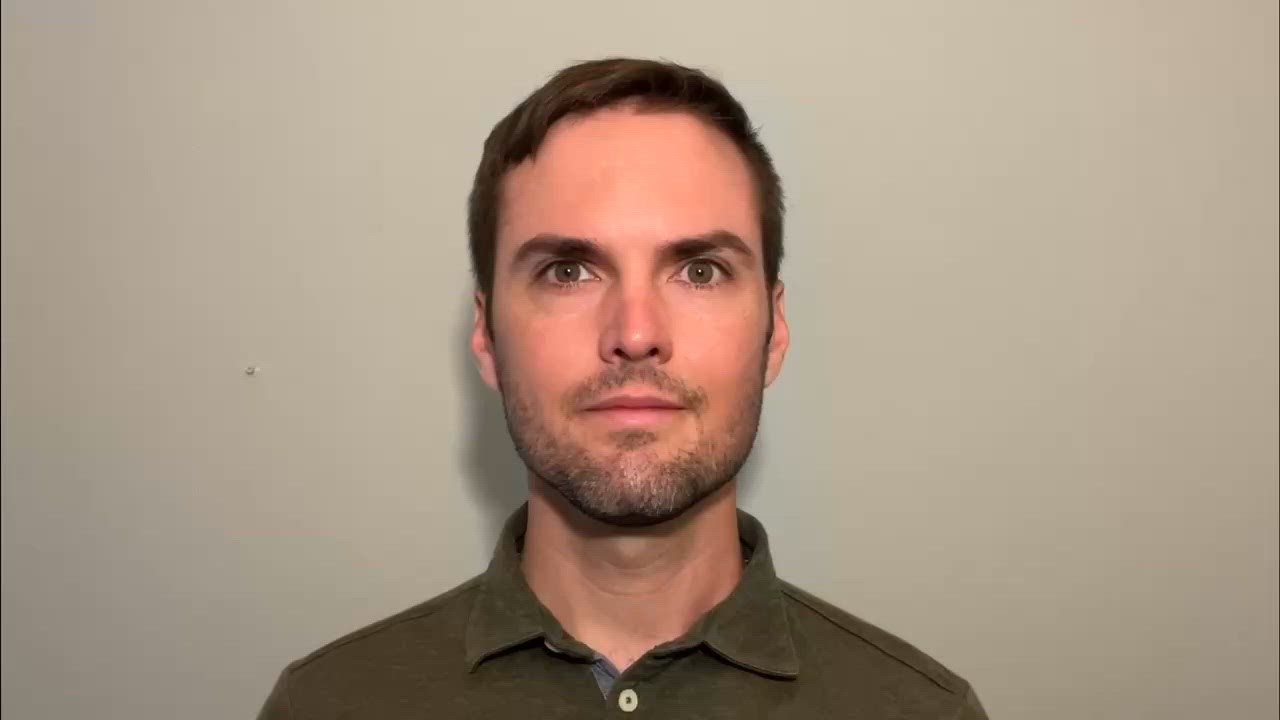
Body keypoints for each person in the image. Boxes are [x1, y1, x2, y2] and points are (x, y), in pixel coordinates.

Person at [257, 57, 988, 719]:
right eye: (568, 272)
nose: (635, 333)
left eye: (699, 271)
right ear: (486, 337)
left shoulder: (925, 713)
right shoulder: (325, 707)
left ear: (774, 332)